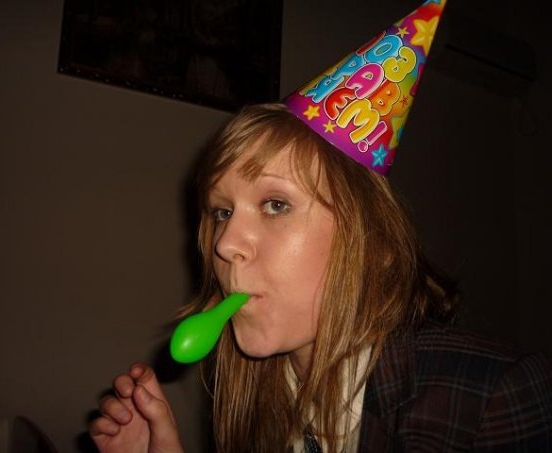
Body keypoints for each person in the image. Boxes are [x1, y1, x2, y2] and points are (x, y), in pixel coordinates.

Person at [89, 1, 552, 451]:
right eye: (222, 212)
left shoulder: (489, 402)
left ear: (374, 246)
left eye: (275, 204)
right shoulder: (254, 398)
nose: (225, 244)